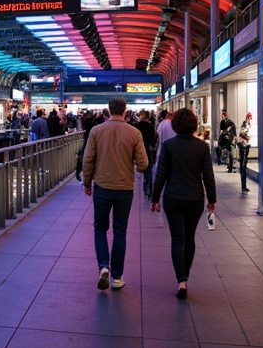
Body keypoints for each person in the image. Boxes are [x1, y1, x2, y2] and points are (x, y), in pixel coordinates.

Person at [82, 96, 148, 291]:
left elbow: (88, 159)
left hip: (102, 187)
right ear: (125, 110)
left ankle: (103, 266)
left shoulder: (96, 131)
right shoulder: (134, 133)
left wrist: (87, 182)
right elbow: (143, 164)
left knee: (100, 228)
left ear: (109, 110)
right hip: (124, 188)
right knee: (120, 231)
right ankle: (117, 277)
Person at [150, 107, 217, 299]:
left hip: (173, 197)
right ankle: (185, 275)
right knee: (189, 238)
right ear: (194, 125)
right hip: (195, 198)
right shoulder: (202, 147)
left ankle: (181, 280)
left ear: (175, 124)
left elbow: (161, 174)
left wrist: (155, 198)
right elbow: (208, 176)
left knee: (177, 238)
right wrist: (212, 199)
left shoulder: (169, 146)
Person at [134, 109, 157, 200]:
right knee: (149, 171)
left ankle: (145, 185)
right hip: (148, 151)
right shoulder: (151, 126)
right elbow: (155, 138)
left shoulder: (137, 127)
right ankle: (149, 189)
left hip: (140, 151)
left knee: (143, 169)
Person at [236, 113, 252, 192]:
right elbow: (242, 133)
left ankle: (244, 185)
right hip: (243, 145)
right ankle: (243, 185)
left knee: (243, 163)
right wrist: (247, 137)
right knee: (243, 164)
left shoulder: (246, 124)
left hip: (243, 144)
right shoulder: (245, 124)